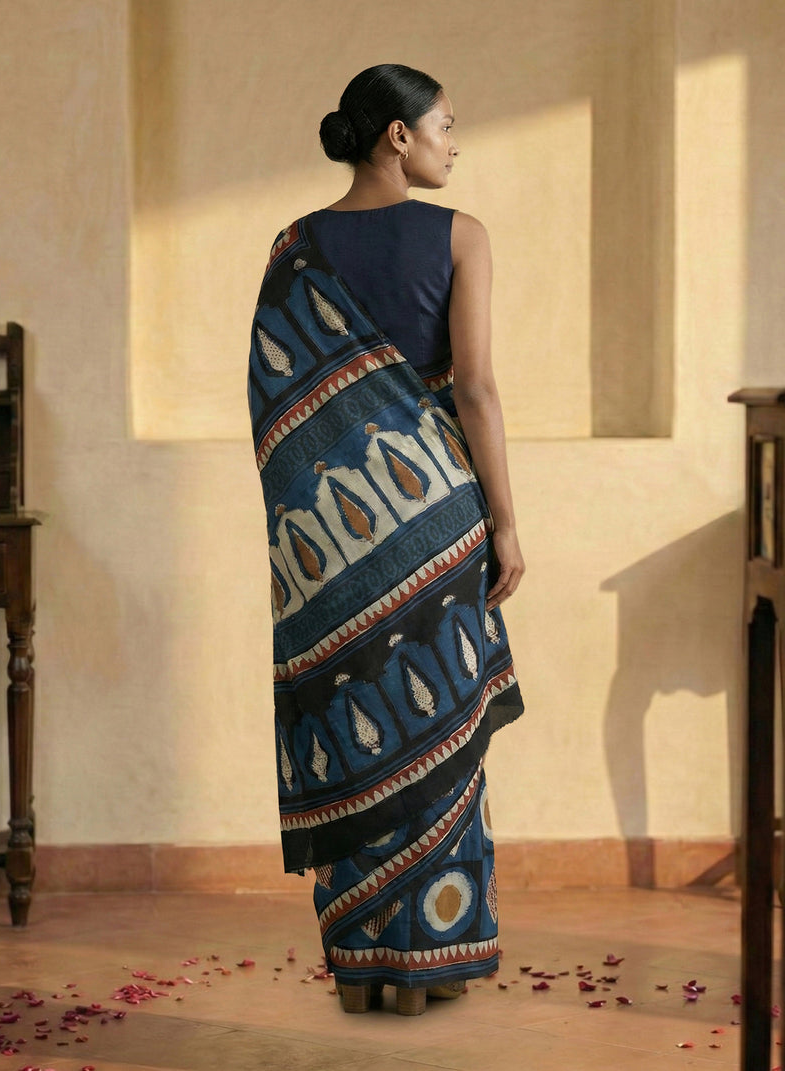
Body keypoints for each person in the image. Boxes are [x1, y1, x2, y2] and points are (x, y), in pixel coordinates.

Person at [248, 64, 525, 1016]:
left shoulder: (296, 248)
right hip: (438, 516)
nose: (455, 143)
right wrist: (506, 519)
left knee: (353, 724)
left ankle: (363, 966)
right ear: (398, 136)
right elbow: (475, 388)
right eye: (445, 124)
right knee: (437, 720)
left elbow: (278, 408)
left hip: (334, 537)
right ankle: (428, 962)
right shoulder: (461, 234)